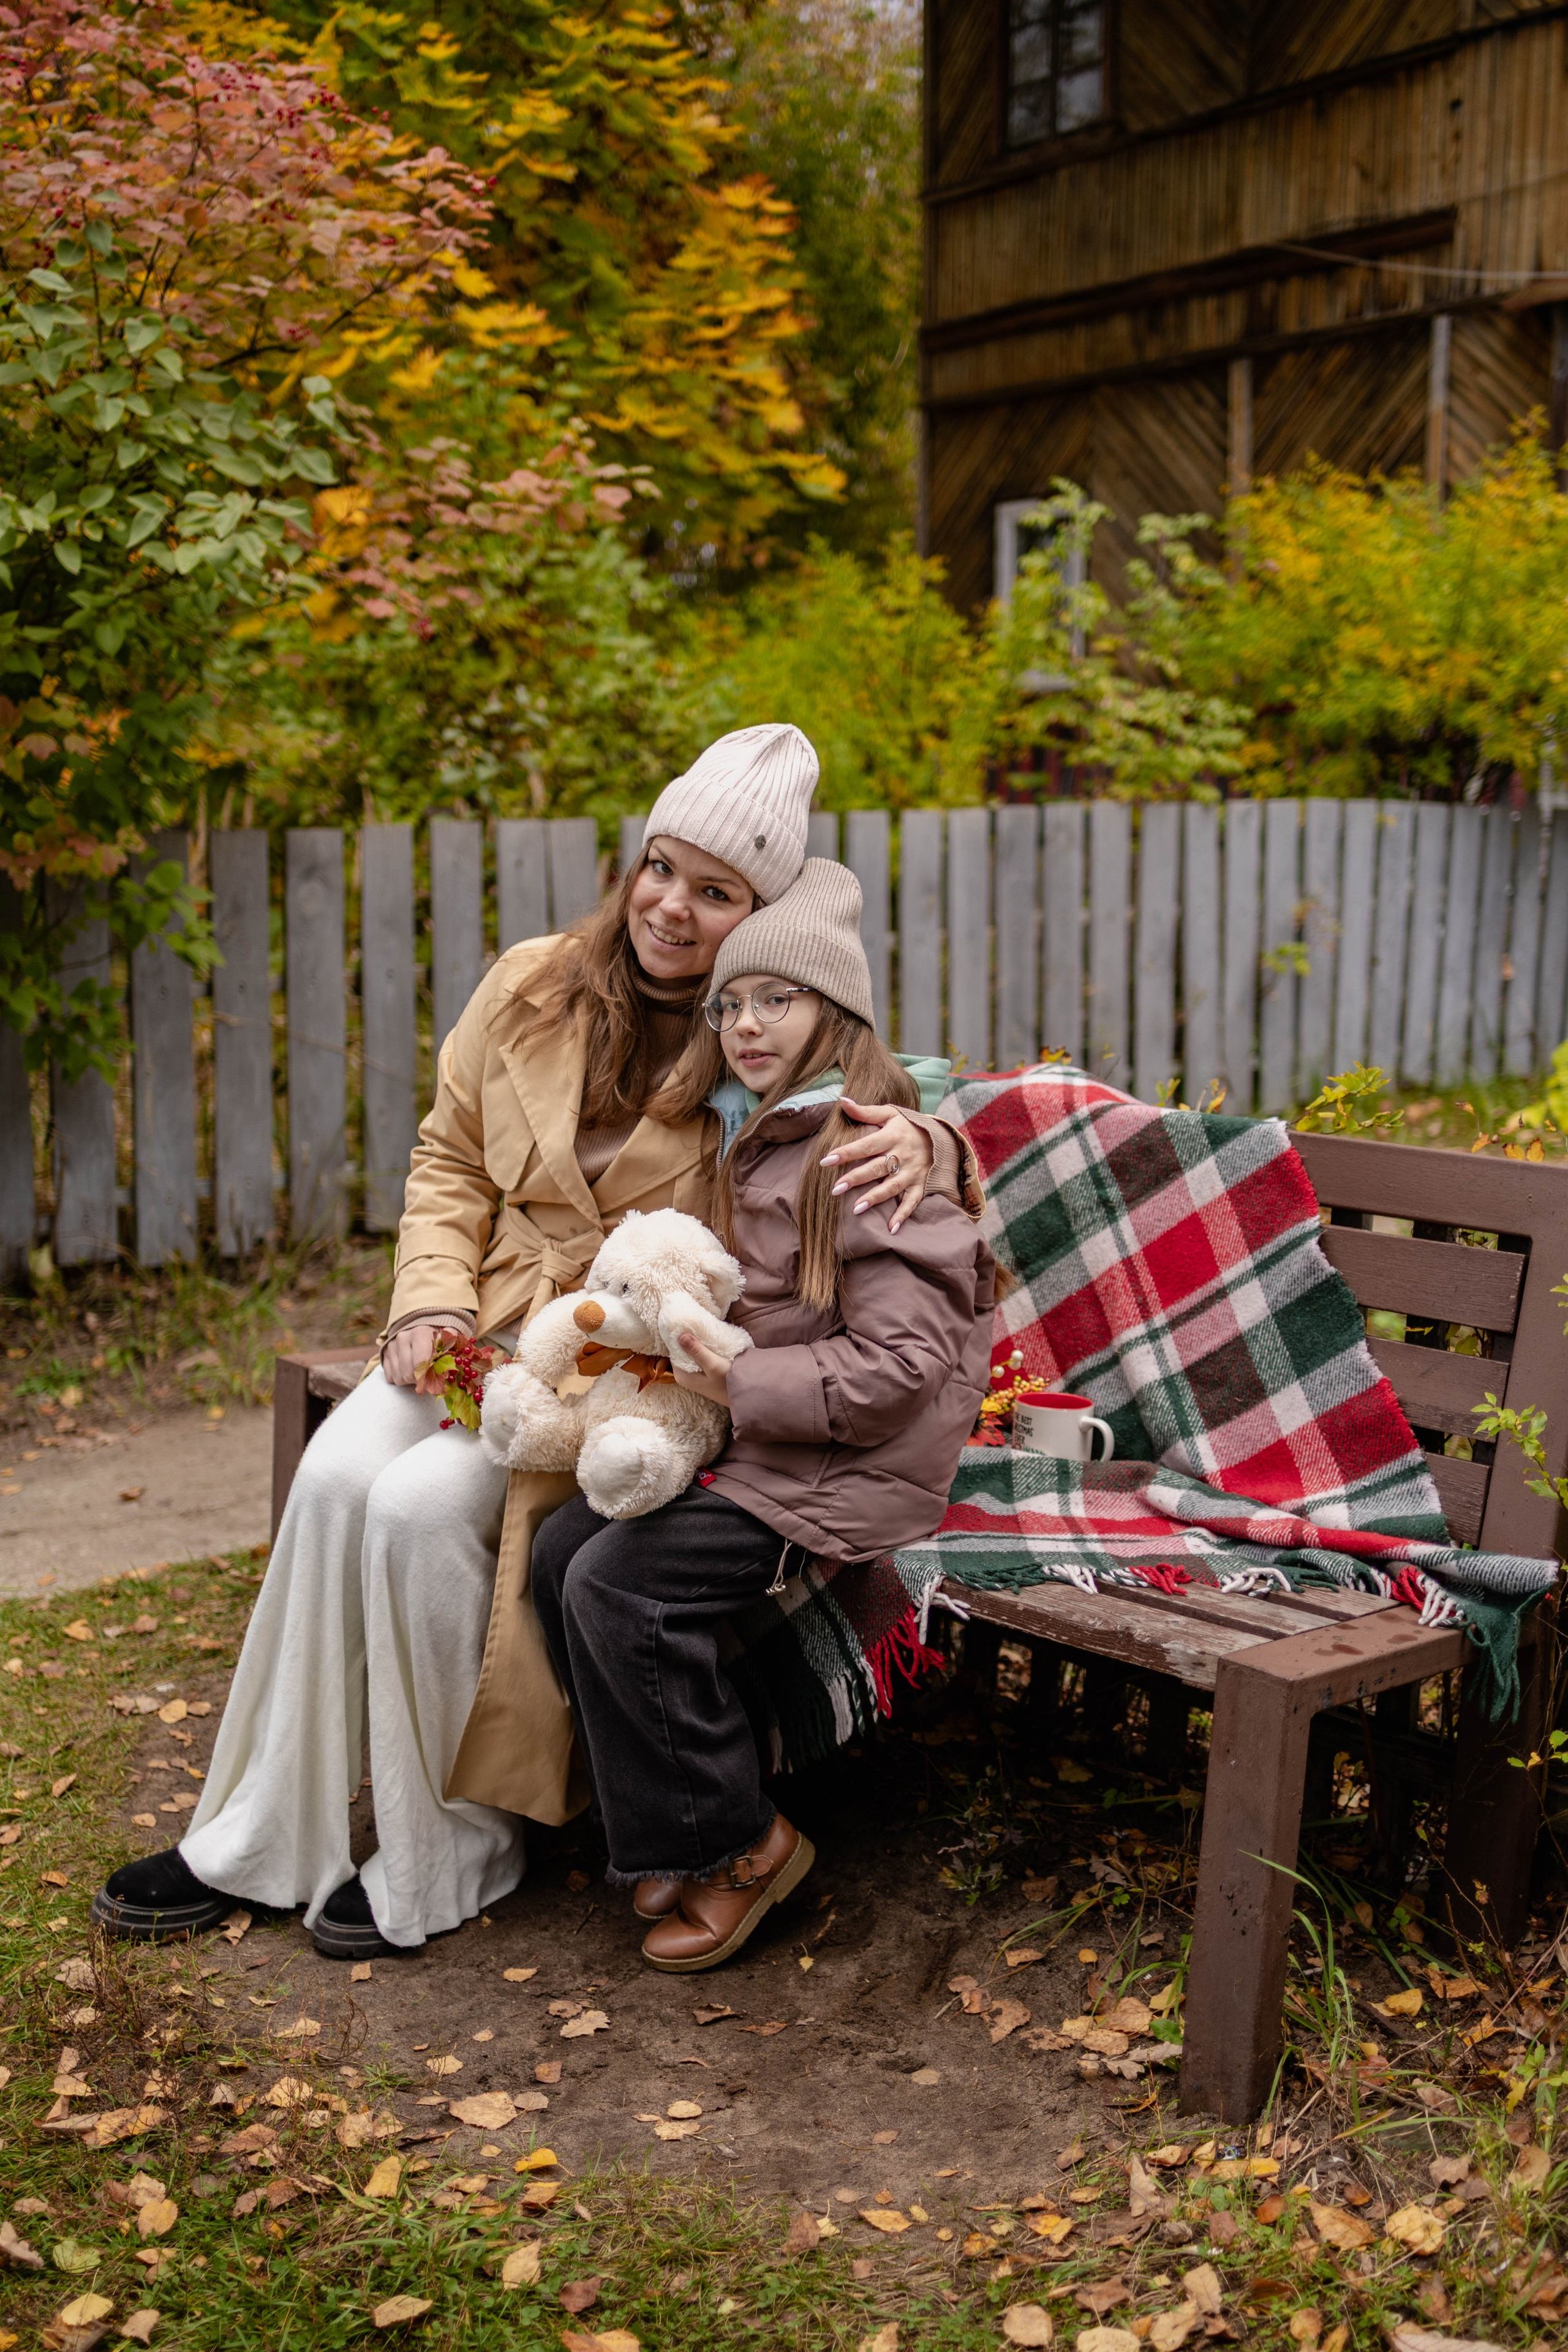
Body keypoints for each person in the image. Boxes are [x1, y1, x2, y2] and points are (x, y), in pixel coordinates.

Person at [91, 726, 978, 1958]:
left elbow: (890, 1094)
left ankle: (448, 1842)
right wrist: (428, 1302)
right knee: (341, 1479)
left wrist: (939, 1146)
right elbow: (450, 1156)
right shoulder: (532, 981)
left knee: (414, 1512)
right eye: (662, 868)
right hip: (485, 1324)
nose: (673, 906)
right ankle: (261, 1833)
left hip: (616, 1370)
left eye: (717, 893)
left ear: (762, 925)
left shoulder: (757, 1045)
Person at [530, 859, 997, 1972]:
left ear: (834, 1013)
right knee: (562, 1551)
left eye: (774, 1000)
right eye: (730, 1004)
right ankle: (669, 1830)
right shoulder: (767, 1133)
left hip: (852, 1467)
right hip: (778, 1447)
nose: (744, 1023)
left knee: (619, 1583)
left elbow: (898, 1369)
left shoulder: (866, 1156)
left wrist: (730, 1384)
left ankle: (744, 1842)